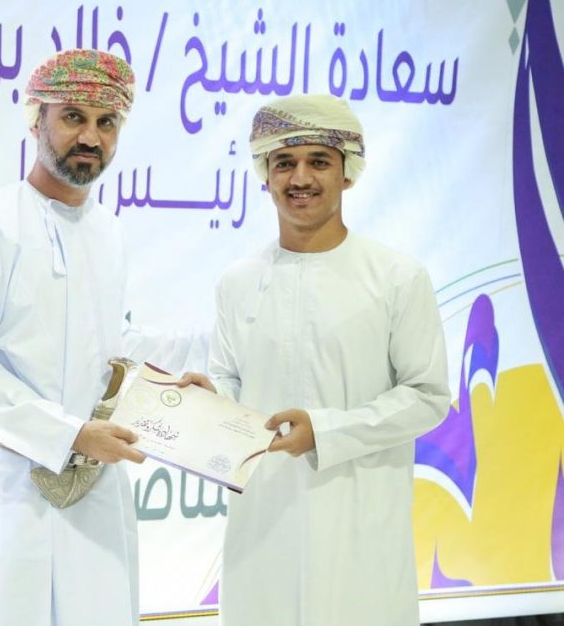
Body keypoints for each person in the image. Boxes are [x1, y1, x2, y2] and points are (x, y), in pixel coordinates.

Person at [0, 48, 206, 626]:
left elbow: (110, 344)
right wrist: (71, 434)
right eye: (74, 117)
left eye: (107, 123)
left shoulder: (108, 232)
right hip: (16, 493)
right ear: (36, 121)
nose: (90, 137)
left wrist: (174, 385)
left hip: (97, 494)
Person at [182, 94, 450, 625]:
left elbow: (428, 396)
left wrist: (324, 432)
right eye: (284, 162)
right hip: (263, 528)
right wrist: (210, 406)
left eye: (318, 161)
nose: (300, 178)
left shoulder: (396, 278)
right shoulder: (238, 281)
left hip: (359, 527)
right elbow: (228, 377)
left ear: (347, 173)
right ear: (265, 175)